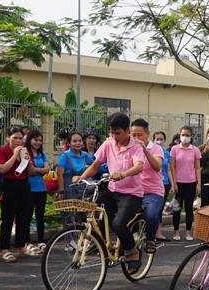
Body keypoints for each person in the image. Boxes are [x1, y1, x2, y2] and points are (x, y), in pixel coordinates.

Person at [78, 113, 145, 270]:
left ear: (126, 130)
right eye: (112, 132)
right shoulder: (108, 144)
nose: (114, 136)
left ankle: (132, 251)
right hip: (112, 190)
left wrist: (123, 173)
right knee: (94, 208)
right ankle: (102, 246)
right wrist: (81, 177)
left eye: (117, 133)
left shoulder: (136, 147)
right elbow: (96, 164)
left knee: (118, 224)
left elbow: (139, 166)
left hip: (131, 194)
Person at [0, 127, 35, 263]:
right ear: (8, 138)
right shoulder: (2, 151)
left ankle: (21, 246)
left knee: (23, 217)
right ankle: (4, 249)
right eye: (15, 138)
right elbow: (2, 169)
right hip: (8, 185)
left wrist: (28, 161)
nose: (18, 141)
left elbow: (31, 171)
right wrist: (14, 155)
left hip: (23, 185)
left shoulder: (25, 151)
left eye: (20, 138)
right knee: (7, 217)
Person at [130, 118, 164, 253]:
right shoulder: (129, 148)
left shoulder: (156, 148)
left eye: (140, 135)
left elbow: (157, 166)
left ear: (147, 134)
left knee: (151, 215)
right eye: (133, 135)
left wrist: (144, 150)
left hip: (153, 192)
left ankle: (150, 239)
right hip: (133, 191)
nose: (136, 138)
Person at [169, 125, 201, 240]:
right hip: (178, 182)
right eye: (183, 135)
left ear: (191, 136)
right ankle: (176, 231)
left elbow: (197, 168)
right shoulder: (175, 149)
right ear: (179, 135)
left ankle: (188, 231)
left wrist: (198, 184)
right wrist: (174, 183)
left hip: (191, 183)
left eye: (187, 135)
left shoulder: (195, 150)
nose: (185, 137)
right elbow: (172, 166)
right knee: (176, 208)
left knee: (188, 209)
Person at [25, 130, 51, 251]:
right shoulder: (25, 153)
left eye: (40, 140)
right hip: (29, 189)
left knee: (40, 215)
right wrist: (40, 170)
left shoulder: (42, 154)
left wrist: (37, 169)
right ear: (30, 140)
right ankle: (27, 241)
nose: (38, 142)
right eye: (36, 140)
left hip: (41, 188)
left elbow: (47, 170)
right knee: (27, 216)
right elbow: (29, 171)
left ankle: (41, 240)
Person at [56, 132, 94, 200]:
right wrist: (61, 191)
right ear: (69, 143)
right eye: (74, 141)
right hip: (68, 190)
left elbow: (95, 166)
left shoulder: (85, 155)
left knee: (83, 210)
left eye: (80, 141)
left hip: (83, 190)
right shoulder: (65, 156)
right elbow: (59, 175)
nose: (78, 143)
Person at [153, 130, 171, 241]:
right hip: (154, 183)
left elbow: (169, 169)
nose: (159, 141)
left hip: (165, 184)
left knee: (159, 208)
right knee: (153, 209)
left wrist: (173, 183)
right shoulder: (150, 151)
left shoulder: (167, 153)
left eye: (161, 139)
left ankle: (158, 231)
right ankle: (152, 231)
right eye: (157, 139)